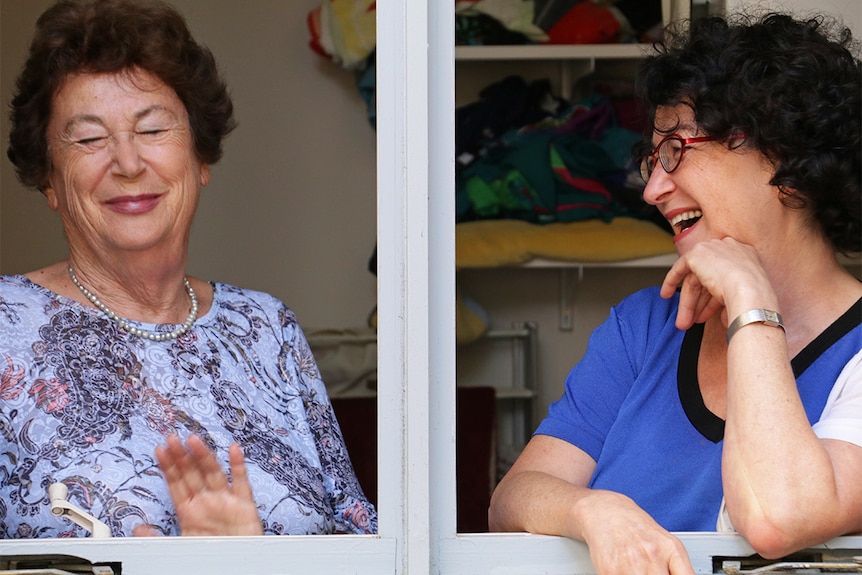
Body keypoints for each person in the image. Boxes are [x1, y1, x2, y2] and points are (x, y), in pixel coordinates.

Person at [488, 12, 862, 575]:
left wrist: (749, 301)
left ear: (783, 159)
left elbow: (777, 517)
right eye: (652, 159)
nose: (654, 189)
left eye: (675, 152)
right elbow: (512, 501)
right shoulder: (643, 326)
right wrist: (592, 510)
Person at [0, 0, 376, 538]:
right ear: (48, 180)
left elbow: (360, 540)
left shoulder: (267, 327)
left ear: (200, 160)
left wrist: (245, 566)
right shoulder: (6, 326)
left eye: (153, 130)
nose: (128, 163)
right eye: (88, 138)